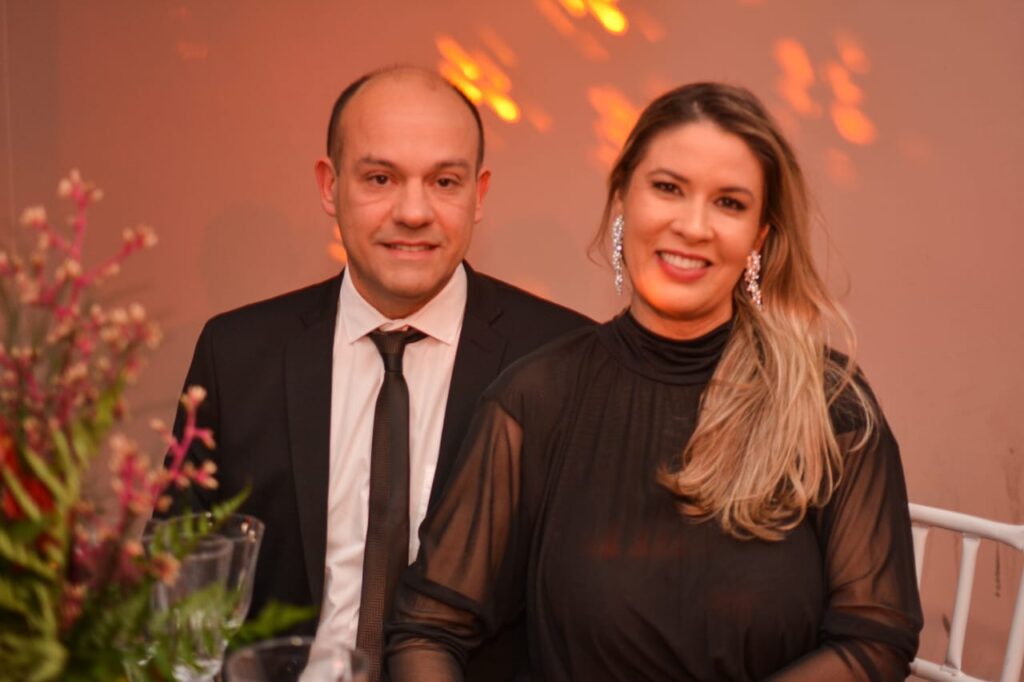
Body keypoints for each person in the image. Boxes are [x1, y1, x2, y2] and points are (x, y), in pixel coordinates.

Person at [386, 82, 922, 681]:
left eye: (729, 203)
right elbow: (426, 630)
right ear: (623, 198)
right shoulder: (536, 399)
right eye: (668, 188)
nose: (693, 226)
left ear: (759, 236)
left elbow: (874, 638)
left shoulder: (825, 402)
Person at [166, 66, 590, 681]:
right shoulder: (236, 355)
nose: (413, 212)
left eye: (444, 181)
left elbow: (587, 611)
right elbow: (178, 579)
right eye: (380, 178)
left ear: (479, 194)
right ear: (329, 186)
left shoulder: (564, 359)